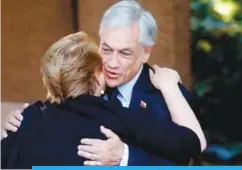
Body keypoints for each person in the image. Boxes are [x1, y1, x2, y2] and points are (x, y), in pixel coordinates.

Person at [2, 0, 207, 166]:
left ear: (146, 53)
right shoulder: (84, 81)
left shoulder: (169, 96)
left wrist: (125, 158)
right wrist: (21, 122)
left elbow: (184, 159)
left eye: (125, 53)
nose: (112, 63)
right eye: (106, 49)